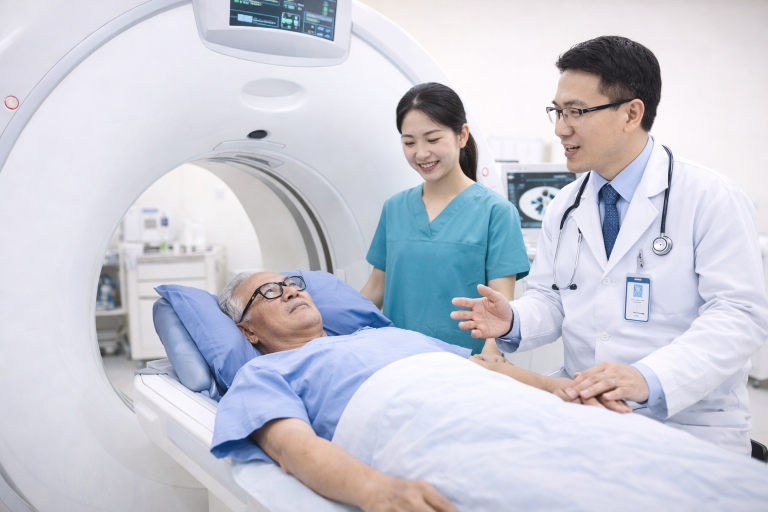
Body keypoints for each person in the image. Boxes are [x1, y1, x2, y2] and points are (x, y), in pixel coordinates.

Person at [451, 35, 768, 455]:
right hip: (583, 406)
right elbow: (552, 298)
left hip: (688, 421)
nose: (560, 128)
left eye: (576, 112)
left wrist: (648, 377)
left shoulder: (710, 197)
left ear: (631, 113)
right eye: (558, 111)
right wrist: (513, 319)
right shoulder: (566, 205)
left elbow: (738, 315)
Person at [212, 272, 627, 512]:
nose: (291, 290)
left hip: (495, 400)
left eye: (293, 283)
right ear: (247, 331)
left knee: (619, 458)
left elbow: (484, 365)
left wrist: (561, 388)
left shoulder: (383, 334)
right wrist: (378, 491)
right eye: (269, 292)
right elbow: (292, 447)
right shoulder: (262, 373)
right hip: (424, 425)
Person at [360, 83, 530, 355]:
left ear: (462, 135)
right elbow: (375, 288)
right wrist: (332, 332)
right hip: (395, 360)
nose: (421, 153)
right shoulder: (394, 208)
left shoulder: (496, 212)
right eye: (409, 142)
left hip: (462, 362)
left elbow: (501, 305)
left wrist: (488, 360)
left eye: (432, 139)